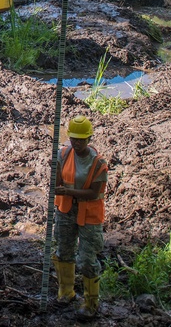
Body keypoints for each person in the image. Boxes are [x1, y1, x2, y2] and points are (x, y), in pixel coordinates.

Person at [53, 115, 108, 320]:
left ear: (89, 139)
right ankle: (66, 291)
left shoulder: (98, 163)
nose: (76, 143)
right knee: (63, 250)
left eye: (81, 139)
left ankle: (91, 302)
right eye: (73, 138)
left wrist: (69, 192)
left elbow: (94, 193)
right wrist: (55, 170)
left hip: (89, 214)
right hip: (66, 210)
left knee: (86, 259)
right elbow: (57, 181)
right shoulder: (64, 154)